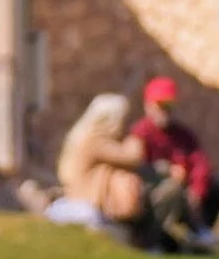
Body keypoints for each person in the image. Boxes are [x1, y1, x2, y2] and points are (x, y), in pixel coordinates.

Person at [131, 76, 219, 250]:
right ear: (148, 106)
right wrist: (168, 172)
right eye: (160, 106)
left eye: (168, 106)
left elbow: (200, 163)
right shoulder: (141, 133)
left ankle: (199, 234)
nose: (164, 111)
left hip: (185, 191)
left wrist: (197, 190)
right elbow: (140, 166)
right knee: (171, 190)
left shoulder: (182, 135)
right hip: (156, 191)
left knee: (215, 188)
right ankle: (153, 240)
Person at [54, 93, 151, 239]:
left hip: (85, 205)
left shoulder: (86, 138)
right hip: (84, 208)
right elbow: (132, 157)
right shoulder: (95, 140)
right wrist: (138, 133)